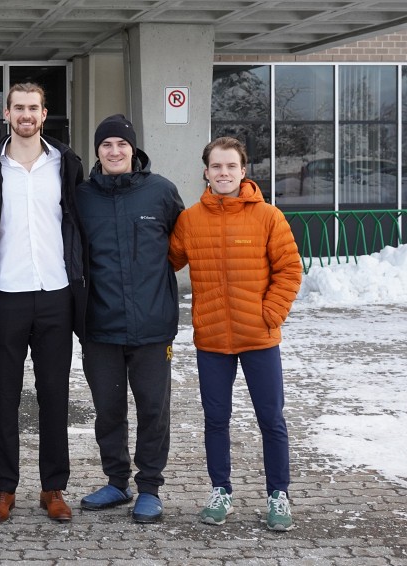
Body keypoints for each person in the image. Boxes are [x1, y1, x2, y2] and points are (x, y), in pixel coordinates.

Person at [0, 82, 89, 524]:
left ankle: (53, 487)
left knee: (55, 395)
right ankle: (4, 488)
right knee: (4, 398)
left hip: (56, 294)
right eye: (19, 108)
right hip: (4, 296)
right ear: (7, 114)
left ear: (44, 112)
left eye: (34, 108)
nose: (26, 115)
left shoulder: (66, 163)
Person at [168, 136, 302, 531]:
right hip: (212, 340)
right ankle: (220, 490)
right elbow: (164, 261)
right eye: (216, 166)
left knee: (271, 419)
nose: (223, 173)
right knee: (216, 419)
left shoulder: (268, 217)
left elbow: (290, 270)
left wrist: (270, 314)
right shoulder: (190, 220)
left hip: (259, 338)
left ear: (243, 171)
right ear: (206, 172)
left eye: (231, 166)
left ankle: (279, 495)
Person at [75, 114, 184, 523]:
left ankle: (150, 487)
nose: (114, 151)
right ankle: (117, 482)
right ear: (98, 151)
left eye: (121, 144)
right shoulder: (82, 196)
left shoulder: (161, 192)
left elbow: (181, 244)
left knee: (153, 408)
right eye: (106, 145)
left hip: (153, 327)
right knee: (108, 408)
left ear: (133, 150)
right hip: (99, 326)